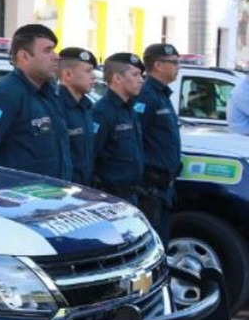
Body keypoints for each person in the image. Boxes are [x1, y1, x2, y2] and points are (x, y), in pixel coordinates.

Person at [0, 24, 71, 181]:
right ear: (24, 56)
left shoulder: (48, 92)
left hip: (51, 197)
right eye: (47, 50)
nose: (56, 56)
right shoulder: (7, 94)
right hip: (19, 200)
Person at [134, 43, 182, 240]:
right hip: (150, 186)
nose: (178, 67)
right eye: (174, 63)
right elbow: (135, 138)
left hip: (163, 187)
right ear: (158, 66)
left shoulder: (162, 94)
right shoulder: (146, 95)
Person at [91, 53, 145, 204]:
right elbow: (91, 156)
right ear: (117, 78)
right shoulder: (102, 111)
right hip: (111, 198)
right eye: (135, 74)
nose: (141, 80)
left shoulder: (129, 108)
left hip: (131, 195)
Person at [57, 47, 97, 185]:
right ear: (67, 74)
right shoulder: (56, 107)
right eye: (88, 71)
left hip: (85, 189)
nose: (94, 76)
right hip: (64, 190)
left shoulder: (86, 107)